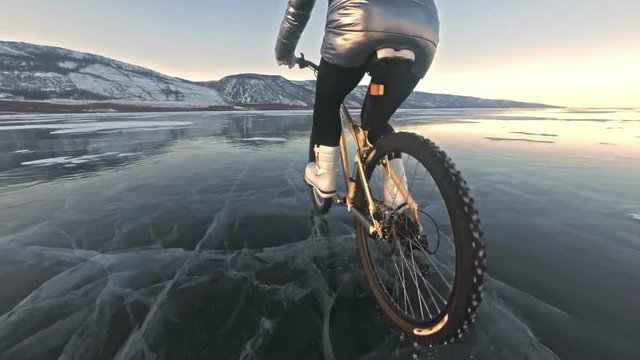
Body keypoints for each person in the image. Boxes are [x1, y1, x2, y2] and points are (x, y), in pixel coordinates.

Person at [276, 0, 439, 209]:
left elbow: (298, 7)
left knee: (328, 101)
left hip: (358, 24)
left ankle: (324, 176)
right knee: (377, 121)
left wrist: (284, 51)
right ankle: (398, 203)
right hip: (422, 30)